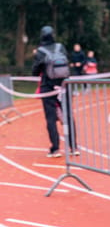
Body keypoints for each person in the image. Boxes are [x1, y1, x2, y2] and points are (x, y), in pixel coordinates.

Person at [32, 26, 79, 157]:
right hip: (64, 85)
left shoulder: (40, 51)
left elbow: (35, 71)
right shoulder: (61, 47)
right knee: (68, 115)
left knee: (51, 119)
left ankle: (55, 148)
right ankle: (74, 147)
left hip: (48, 88)